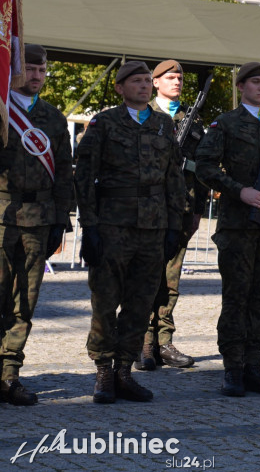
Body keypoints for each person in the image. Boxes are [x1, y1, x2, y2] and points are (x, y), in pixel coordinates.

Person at [75, 61, 187, 404]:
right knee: (105, 302)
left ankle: (124, 370)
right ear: (119, 88)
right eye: (135, 81)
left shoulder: (163, 124)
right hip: (112, 225)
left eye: (145, 81)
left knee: (140, 303)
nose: (142, 86)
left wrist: (174, 225)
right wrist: (89, 226)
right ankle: (104, 371)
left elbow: (173, 178)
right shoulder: (105, 123)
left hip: (152, 229)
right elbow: (84, 176)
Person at [194, 62, 260, 397]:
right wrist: (238, 190)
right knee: (236, 299)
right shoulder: (226, 124)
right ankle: (232, 369)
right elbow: (205, 166)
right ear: (241, 86)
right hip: (238, 225)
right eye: (255, 82)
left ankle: (254, 365)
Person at [0, 44, 73, 405]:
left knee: (23, 303)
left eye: (41, 71)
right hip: (1, 215)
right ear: (15, 70)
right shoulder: (1, 110)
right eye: (29, 69)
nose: (36, 76)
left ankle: (9, 376)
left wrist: (62, 220)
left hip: (39, 220)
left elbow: (64, 174)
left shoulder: (54, 118)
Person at [137, 59, 206, 371]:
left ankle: (164, 340)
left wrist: (198, 211)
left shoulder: (192, 120)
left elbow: (201, 171)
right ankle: (143, 342)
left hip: (181, 210)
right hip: (147, 210)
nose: (176, 82)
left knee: (171, 279)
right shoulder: (143, 115)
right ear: (155, 82)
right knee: (144, 276)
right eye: (169, 77)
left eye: (179, 77)